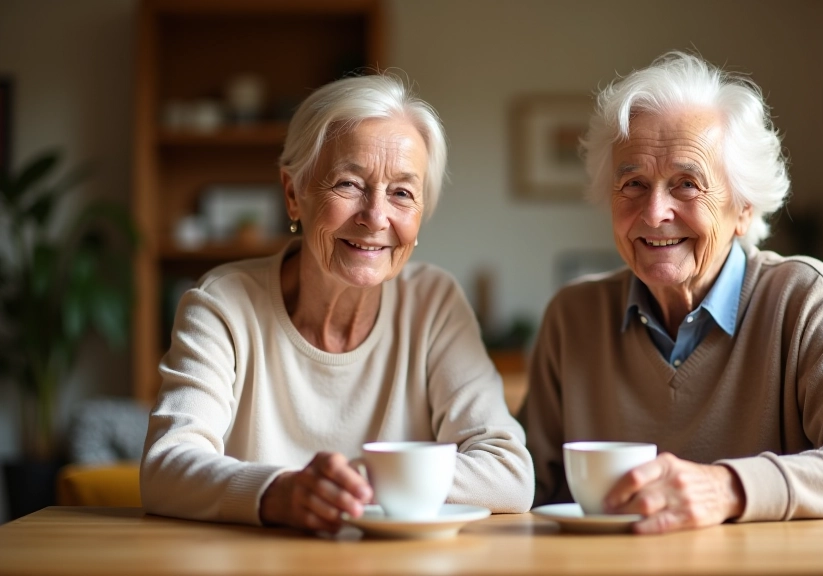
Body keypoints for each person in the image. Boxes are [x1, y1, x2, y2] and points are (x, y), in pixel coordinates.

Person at [525, 51, 823, 534]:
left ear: (743, 208)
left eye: (687, 184)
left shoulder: (804, 301)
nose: (654, 213)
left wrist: (728, 487)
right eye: (633, 183)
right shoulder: (574, 316)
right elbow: (527, 482)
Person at [141, 74, 533, 531]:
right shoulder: (222, 305)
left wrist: (350, 484)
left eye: (402, 193)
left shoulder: (434, 303)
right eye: (349, 184)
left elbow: (510, 475)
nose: (375, 217)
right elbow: (166, 466)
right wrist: (279, 492)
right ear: (293, 194)